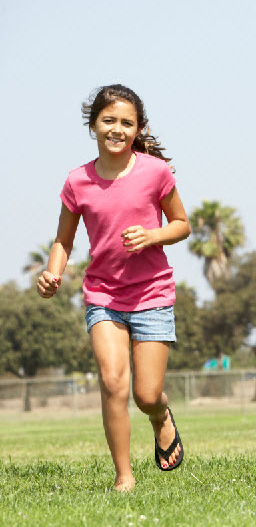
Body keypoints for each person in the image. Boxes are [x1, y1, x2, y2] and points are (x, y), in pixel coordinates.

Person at [37, 84, 191, 492]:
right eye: (108, 121)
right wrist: (52, 273)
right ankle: (124, 476)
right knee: (112, 382)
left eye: (127, 122)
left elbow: (182, 224)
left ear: (137, 128)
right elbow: (63, 241)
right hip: (103, 295)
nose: (117, 129)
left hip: (152, 294)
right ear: (93, 125)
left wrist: (153, 236)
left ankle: (160, 416)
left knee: (145, 394)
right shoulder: (77, 181)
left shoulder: (155, 172)